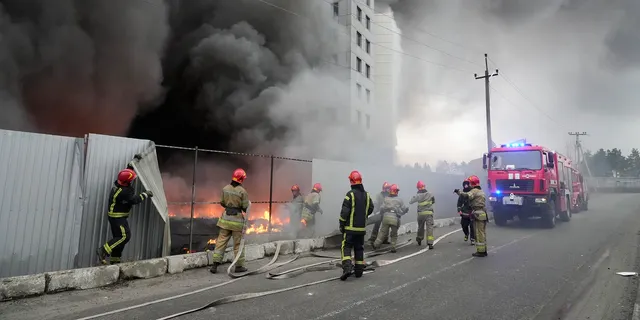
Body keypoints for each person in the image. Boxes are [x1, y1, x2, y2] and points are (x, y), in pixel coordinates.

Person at [97, 164, 153, 265]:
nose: (132, 181)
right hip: (118, 218)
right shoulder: (124, 192)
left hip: (115, 217)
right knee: (125, 237)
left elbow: (125, 176)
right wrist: (145, 194)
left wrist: (130, 167)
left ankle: (115, 262)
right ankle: (103, 250)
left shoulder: (119, 184)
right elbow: (135, 200)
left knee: (118, 240)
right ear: (127, 182)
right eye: (131, 180)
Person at [210, 168, 250, 274]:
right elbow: (245, 207)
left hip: (225, 220)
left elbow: (222, 202)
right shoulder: (243, 192)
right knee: (238, 244)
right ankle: (239, 266)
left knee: (221, 242)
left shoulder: (225, 188)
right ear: (241, 179)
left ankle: (215, 265)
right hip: (237, 222)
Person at [339, 170, 375, 280]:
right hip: (361, 229)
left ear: (351, 181)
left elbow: (344, 212)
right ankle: (359, 271)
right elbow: (371, 208)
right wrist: (363, 215)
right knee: (359, 248)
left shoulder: (350, 195)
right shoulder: (367, 195)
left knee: (346, 246)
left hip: (349, 228)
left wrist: (341, 224)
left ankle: (347, 268)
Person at [454, 175, 488, 257]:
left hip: (478, 213)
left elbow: (466, 196)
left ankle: (481, 251)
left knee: (478, 232)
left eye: (470, 183)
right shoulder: (481, 191)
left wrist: (459, 192)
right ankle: (484, 250)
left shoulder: (474, 191)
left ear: (472, 183)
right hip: (483, 213)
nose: (469, 185)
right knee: (482, 232)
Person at [373, 184, 408, 253]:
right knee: (394, 234)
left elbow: (381, 208)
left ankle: (376, 245)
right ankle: (393, 247)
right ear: (396, 191)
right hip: (395, 219)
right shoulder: (399, 200)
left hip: (386, 218)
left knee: (382, 232)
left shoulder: (386, 199)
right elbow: (404, 209)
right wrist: (405, 211)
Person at [409, 180, 435, 249]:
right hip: (429, 214)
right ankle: (430, 243)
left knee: (420, 228)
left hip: (421, 214)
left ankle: (419, 239)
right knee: (430, 228)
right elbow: (433, 201)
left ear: (418, 188)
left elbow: (411, 202)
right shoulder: (430, 194)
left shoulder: (417, 195)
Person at [457, 179, 475, 245]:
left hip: (472, 212)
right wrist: (459, 210)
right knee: (464, 225)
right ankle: (466, 234)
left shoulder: (472, 192)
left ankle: (472, 239)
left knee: (472, 226)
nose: (466, 186)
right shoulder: (462, 194)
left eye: (467, 184)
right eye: (465, 185)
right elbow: (459, 203)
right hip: (464, 212)